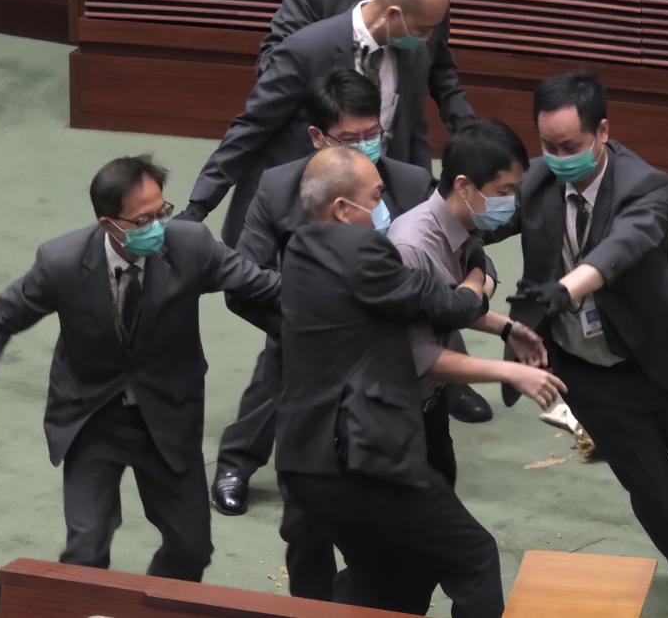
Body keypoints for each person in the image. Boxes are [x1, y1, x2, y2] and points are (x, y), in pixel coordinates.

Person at [0, 156, 281, 582]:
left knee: (191, 549)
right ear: (107, 224)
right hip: (93, 417)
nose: (157, 226)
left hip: (167, 415)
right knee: (85, 552)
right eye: (142, 219)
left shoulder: (190, 245)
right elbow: (1, 319)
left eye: (162, 212)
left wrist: (338, 292)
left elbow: (262, 284)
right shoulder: (60, 262)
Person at [494, 71, 668, 618]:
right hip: (587, 369)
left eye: (570, 147)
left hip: (656, 355)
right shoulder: (535, 180)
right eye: (547, 146)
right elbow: (481, 219)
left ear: (602, 132)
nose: (557, 158)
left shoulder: (647, 185)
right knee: (652, 485)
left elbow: (620, 250)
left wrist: (564, 288)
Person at [276, 146, 505, 618]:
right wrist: (477, 278)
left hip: (306, 454)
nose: (384, 206)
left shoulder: (298, 249)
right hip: (370, 451)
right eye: (376, 195)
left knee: (386, 572)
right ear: (343, 208)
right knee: (474, 555)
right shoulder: (368, 249)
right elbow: (447, 306)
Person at [211, 69, 436, 518]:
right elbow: (244, 276)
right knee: (284, 361)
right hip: (309, 320)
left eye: (372, 133)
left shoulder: (410, 183)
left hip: (395, 317)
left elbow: (462, 252)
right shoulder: (279, 187)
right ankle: (236, 464)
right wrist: (308, 309)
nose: (364, 145)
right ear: (318, 137)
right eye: (349, 138)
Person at [176, 0, 450, 248]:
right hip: (291, 217)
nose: (427, 38)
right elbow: (251, 127)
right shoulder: (307, 49)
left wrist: (424, 208)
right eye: (423, 29)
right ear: (394, 14)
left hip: (364, 220)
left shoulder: (415, 55)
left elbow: (413, 131)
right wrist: (200, 204)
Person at [387, 118, 568, 485]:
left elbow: (447, 306)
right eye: (505, 190)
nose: (512, 203)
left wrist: (506, 328)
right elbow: (417, 356)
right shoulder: (412, 247)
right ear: (464, 186)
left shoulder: (463, 225)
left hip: (429, 405)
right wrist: (509, 371)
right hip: (391, 419)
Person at [257, 0, 473, 135]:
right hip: (329, 144)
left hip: (396, 149)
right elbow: (271, 65)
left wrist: (468, 130)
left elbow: (439, 64)